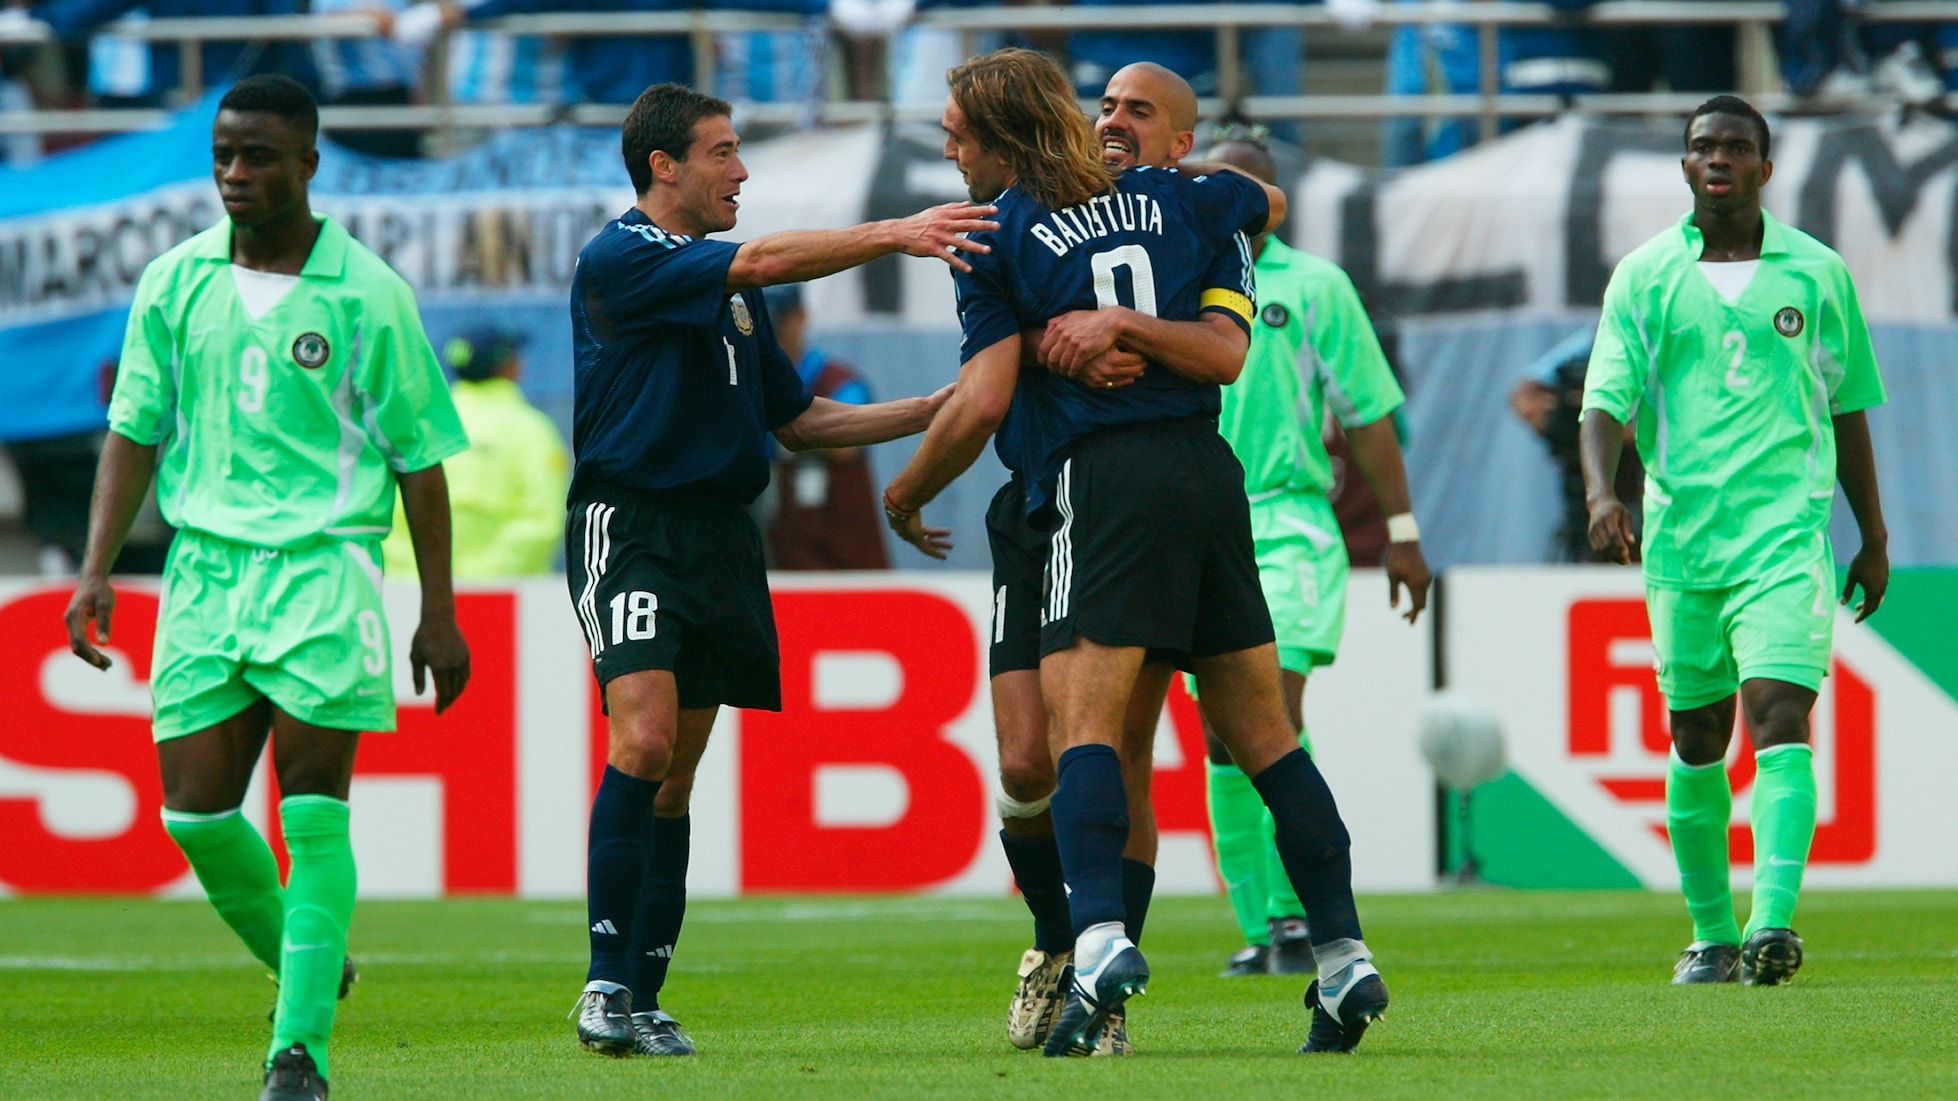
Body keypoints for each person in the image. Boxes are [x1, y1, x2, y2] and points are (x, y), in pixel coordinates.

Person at [883, 47, 1389, 1057]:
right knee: (1264, 735)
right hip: (1204, 475)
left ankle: (1099, 944)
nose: (948, 153)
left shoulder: (996, 233)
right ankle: (1342, 956)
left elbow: (983, 398)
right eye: (1105, 106)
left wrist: (903, 494)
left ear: (1003, 136)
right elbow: (1258, 212)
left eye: (957, 136)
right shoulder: (1190, 203)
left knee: (1090, 732)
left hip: (1095, 481)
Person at [61, 75, 471, 1101]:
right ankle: (313, 957)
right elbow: (134, 430)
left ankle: (299, 1054)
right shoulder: (175, 281)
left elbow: (420, 459)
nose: (235, 175)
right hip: (205, 570)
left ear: (308, 164)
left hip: (325, 570)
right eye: (223, 157)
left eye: (257, 157)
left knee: (313, 812)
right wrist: (97, 567)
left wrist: (438, 611)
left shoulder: (367, 292)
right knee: (194, 816)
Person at [563, 81, 991, 1058]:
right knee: (642, 740)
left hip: (722, 538)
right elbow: (758, 257)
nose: (741, 170)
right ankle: (601, 982)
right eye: (721, 152)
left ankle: (642, 996)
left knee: (676, 777)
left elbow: (799, 423)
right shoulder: (622, 255)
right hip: (633, 527)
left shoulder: (737, 297)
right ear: (662, 165)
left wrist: (937, 407)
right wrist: (898, 231)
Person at [1580, 95, 1889, 988]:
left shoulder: (1817, 274)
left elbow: (1847, 406)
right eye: (1703, 146)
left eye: (1736, 147)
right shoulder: (1644, 276)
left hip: (1785, 535)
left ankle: (1771, 926)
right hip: (1684, 542)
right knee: (1696, 734)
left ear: (1765, 166)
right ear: (1685, 166)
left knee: (1780, 713)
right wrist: (1603, 492)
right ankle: (1711, 935)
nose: (1719, 158)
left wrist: (1872, 534)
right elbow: (1604, 401)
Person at [977, 59, 1243, 1057]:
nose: (1112, 121)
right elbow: (985, 379)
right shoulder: (1000, 226)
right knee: (1022, 760)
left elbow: (1259, 200)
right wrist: (1049, 338)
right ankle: (1059, 939)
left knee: (1120, 748)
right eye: (1104, 107)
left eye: (1136, 109)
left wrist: (1129, 332)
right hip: (1032, 502)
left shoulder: (1170, 211)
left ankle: (1101, 989)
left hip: (1114, 499)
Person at [1193, 133, 1431, 979]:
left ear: (1272, 200)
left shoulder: (1317, 286)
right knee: (1222, 731)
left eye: (1246, 187)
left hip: (1290, 519)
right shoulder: (1176, 276)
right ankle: (1261, 925)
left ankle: (1297, 912)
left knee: (1272, 706)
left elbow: (1367, 411)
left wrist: (1403, 532)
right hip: (1195, 521)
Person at [381, 326, 569, 577]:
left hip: (414, 589)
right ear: (509, 366)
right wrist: (480, 578)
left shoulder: (419, 424)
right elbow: (541, 520)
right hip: (505, 594)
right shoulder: (532, 431)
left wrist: (425, 575)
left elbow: (384, 510)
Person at [763, 283, 890, 570]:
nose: (773, 331)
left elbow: (846, 446)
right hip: (787, 548)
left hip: (847, 553)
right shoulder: (757, 383)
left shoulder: (839, 381)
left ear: (800, 317)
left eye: (779, 319)